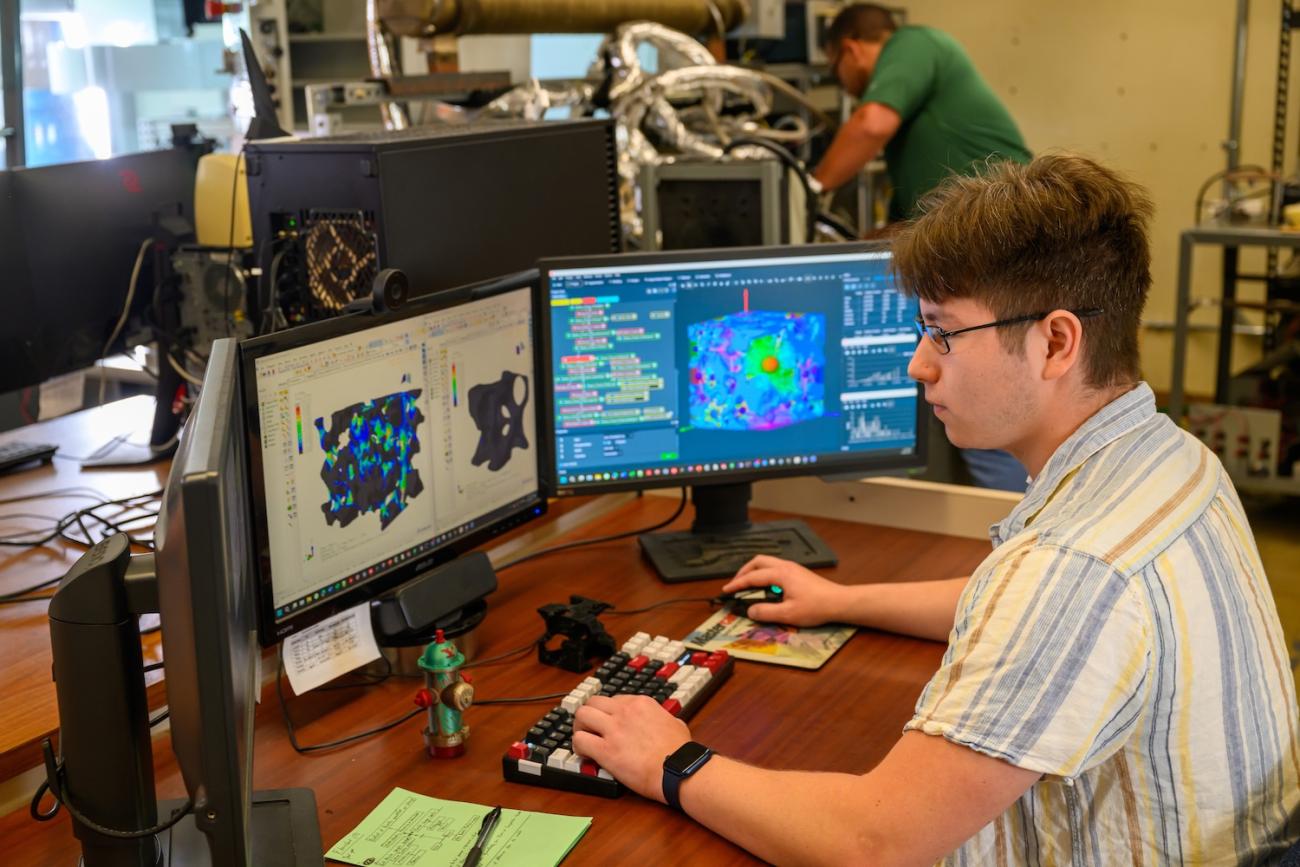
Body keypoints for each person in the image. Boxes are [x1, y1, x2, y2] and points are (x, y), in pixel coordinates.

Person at [572, 154, 1300, 864]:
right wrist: (842, 598)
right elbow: (1020, 612)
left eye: (944, 333)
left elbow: (872, 842)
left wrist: (670, 760)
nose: (920, 363)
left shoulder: (1073, 571)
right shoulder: (1173, 459)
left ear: (1056, 341)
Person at [813, 4, 1034, 492]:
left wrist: (810, 187)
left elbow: (871, 123)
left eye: (836, 70)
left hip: (999, 246)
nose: (846, 84)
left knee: (992, 395)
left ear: (849, 49)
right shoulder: (926, 91)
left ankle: (1015, 524)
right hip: (978, 246)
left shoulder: (915, 44)